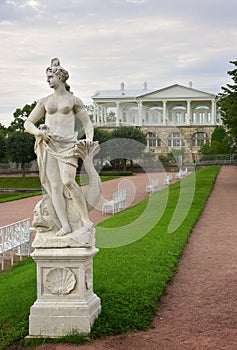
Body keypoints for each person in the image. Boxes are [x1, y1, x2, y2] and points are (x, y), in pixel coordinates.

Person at [24, 58, 98, 237]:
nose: (48, 80)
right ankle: (64, 225)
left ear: (60, 77)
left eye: (50, 76)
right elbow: (28, 123)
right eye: (47, 77)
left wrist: (89, 139)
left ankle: (85, 220)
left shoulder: (74, 100)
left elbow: (87, 124)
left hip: (68, 145)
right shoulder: (44, 101)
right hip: (48, 145)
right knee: (54, 187)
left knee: (68, 181)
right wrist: (38, 133)